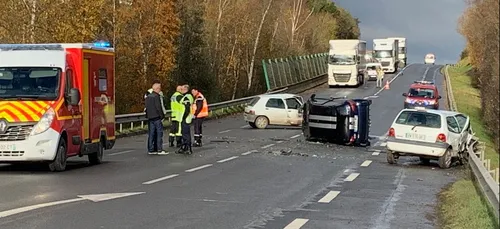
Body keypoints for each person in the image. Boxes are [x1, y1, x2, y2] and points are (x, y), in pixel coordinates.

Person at [144, 80, 168, 152]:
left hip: (150, 118)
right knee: (159, 133)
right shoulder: (156, 96)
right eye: (159, 88)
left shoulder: (148, 97)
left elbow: (146, 108)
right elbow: (158, 107)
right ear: (157, 88)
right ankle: (159, 149)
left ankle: (150, 149)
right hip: (157, 118)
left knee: (151, 134)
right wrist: (162, 116)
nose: (160, 89)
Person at [177, 84, 194, 154]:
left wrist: (184, 117)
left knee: (186, 134)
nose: (181, 91)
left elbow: (187, 108)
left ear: (185, 90)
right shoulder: (187, 96)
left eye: (182, 89)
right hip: (186, 118)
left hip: (186, 118)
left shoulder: (187, 97)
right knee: (185, 134)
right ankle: (185, 147)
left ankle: (188, 148)